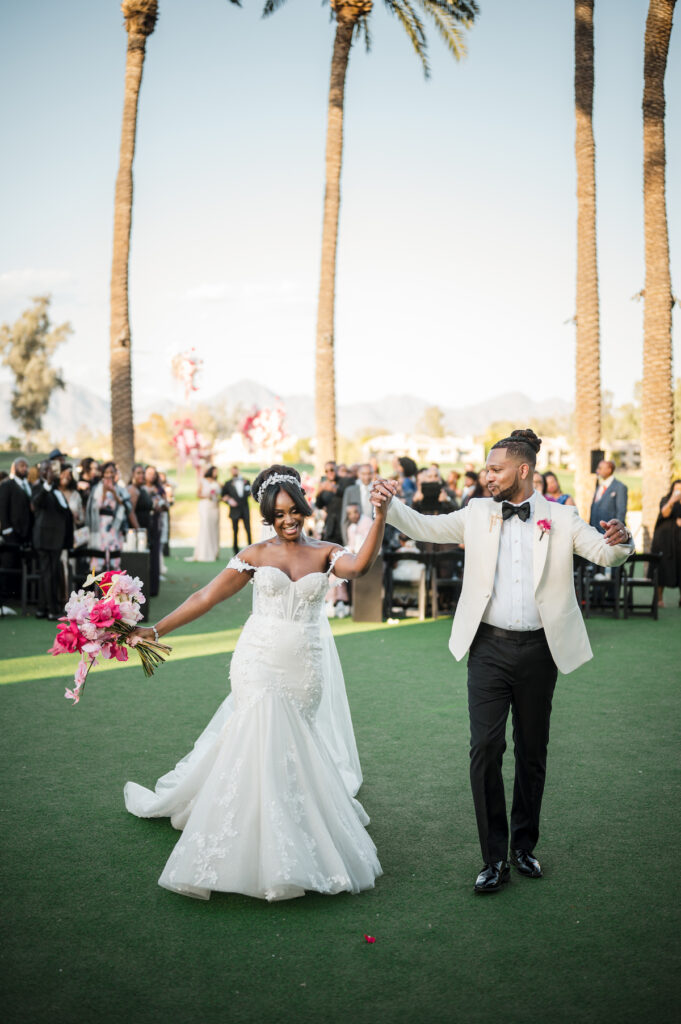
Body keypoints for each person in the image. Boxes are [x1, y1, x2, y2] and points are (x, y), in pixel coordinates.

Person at [372, 428, 634, 894]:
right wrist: (388, 506)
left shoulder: (561, 516)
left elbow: (605, 552)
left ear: (523, 470)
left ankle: (523, 847)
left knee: (532, 752)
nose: (486, 476)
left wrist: (620, 541)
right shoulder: (476, 513)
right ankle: (492, 858)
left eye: (495, 469)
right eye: (486, 469)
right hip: (488, 649)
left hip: (540, 651)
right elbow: (426, 528)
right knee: (485, 749)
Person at [124, 465, 388, 901]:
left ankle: (289, 825)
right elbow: (204, 597)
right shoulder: (254, 554)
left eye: (294, 511)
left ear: (304, 508)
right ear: (268, 514)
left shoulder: (326, 552)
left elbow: (359, 567)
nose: (288, 520)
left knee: (291, 744)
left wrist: (379, 515)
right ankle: (253, 840)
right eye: (279, 514)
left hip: (304, 664)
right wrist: (156, 631)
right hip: (258, 659)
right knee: (258, 731)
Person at [32, 460, 74, 620]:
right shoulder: (38, 487)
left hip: (57, 540)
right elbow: (36, 503)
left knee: (52, 573)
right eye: (46, 470)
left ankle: (42, 609)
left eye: (51, 470)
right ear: (41, 472)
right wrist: (47, 484)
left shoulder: (56, 490)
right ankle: (52, 609)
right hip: (44, 539)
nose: (49, 472)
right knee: (48, 573)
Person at [86, 461, 137, 571]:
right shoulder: (97, 488)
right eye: (107, 472)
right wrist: (104, 492)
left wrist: (114, 493)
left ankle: (115, 586)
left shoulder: (120, 489)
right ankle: (96, 587)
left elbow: (127, 507)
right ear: (103, 474)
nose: (109, 475)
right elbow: (94, 507)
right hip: (99, 527)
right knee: (98, 559)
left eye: (112, 472)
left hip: (115, 526)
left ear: (115, 473)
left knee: (114, 558)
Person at [0, 458, 33, 599]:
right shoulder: (7, 485)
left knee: (22, 565)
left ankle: (19, 596)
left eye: (26, 466)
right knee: (8, 563)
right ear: (14, 468)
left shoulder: (29, 486)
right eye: (21, 466)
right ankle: (6, 597)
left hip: (26, 534)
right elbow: (2, 507)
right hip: (11, 533)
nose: (24, 468)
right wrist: (7, 529)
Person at [651, 479, 681, 607]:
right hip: (664, 540)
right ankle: (659, 599)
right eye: (677, 489)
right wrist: (672, 501)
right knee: (662, 568)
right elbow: (664, 512)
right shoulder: (666, 500)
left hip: (679, 542)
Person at [221, 465, 252, 555]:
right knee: (235, 531)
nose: (234, 472)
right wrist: (229, 501)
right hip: (234, 510)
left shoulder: (247, 481)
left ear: (238, 471)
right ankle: (235, 552)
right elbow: (223, 496)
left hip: (245, 509)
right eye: (232, 471)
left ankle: (250, 549)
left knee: (248, 530)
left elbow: (250, 493)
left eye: (235, 470)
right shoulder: (227, 483)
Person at [590, 459, 627, 533]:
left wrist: (615, 532)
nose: (597, 470)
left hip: (609, 535)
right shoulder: (600, 486)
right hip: (594, 533)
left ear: (609, 470)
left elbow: (621, 513)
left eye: (600, 468)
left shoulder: (620, 487)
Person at [193, 465, 221, 562]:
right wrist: (206, 496)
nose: (216, 473)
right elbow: (198, 494)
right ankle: (204, 553)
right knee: (206, 527)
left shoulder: (217, 483)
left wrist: (217, 497)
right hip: (205, 506)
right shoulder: (203, 481)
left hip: (215, 506)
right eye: (215, 471)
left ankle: (214, 551)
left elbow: (221, 494)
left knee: (214, 528)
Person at [341, 463, 374, 542]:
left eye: (369, 474)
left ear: (373, 474)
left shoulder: (377, 490)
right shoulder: (350, 491)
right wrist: (347, 543)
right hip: (356, 538)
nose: (366, 477)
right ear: (359, 474)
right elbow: (344, 518)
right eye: (363, 474)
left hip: (374, 535)